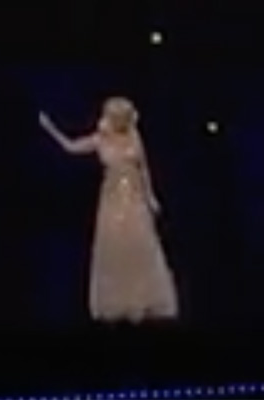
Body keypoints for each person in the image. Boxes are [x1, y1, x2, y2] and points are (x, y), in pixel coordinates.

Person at [39, 97, 178, 323]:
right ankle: (119, 301)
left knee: (139, 245)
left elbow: (144, 168)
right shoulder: (100, 139)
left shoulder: (134, 137)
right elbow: (71, 147)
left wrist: (150, 195)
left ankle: (143, 299)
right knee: (116, 247)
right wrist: (50, 128)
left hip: (134, 199)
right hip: (112, 201)